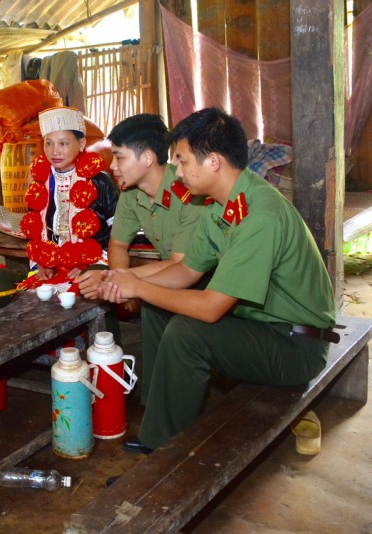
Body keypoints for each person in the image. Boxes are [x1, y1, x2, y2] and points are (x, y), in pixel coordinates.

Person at [93, 108, 337, 453]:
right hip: (262, 326)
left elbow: (210, 309)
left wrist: (138, 286)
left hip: (296, 345)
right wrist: (128, 281)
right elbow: (187, 271)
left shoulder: (260, 215)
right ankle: (162, 414)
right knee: (159, 308)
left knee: (187, 332)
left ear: (214, 162)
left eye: (182, 161)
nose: (177, 172)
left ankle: (163, 451)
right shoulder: (218, 204)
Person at [76, 113, 205, 403]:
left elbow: (181, 264)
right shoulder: (131, 194)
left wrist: (120, 281)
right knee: (150, 306)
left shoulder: (188, 191)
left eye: (119, 157)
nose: (112, 166)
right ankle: (154, 401)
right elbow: (118, 245)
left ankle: (167, 401)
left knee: (153, 306)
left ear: (147, 158)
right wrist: (121, 283)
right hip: (175, 272)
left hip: (205, 278)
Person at [21, 106, 120, 283]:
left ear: (81, 144)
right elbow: (34, 232)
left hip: (93, 267)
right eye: (49, 143)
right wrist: (40, 264)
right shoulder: (40, 183)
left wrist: (95, 265)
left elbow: (119, 233)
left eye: (63, 144)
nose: (55, 151)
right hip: (50, 268)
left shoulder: (100, 182)